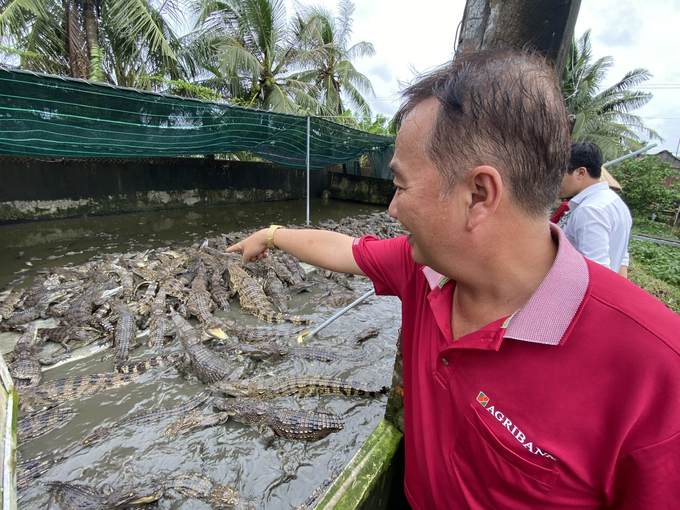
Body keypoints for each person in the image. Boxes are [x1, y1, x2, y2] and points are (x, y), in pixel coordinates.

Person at [227, 49, 680, 509]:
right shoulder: (425, 269)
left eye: (401, 186)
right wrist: (272, 234)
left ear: (478, 194)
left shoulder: (659, 374)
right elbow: (344, 249)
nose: (392, 208)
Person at [559, 142, 632, 277]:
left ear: (580, 172)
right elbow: (622, 256)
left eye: (559, 174)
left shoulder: (590, 210)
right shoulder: (614, 201)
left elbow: (595, 271)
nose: (554, 181)